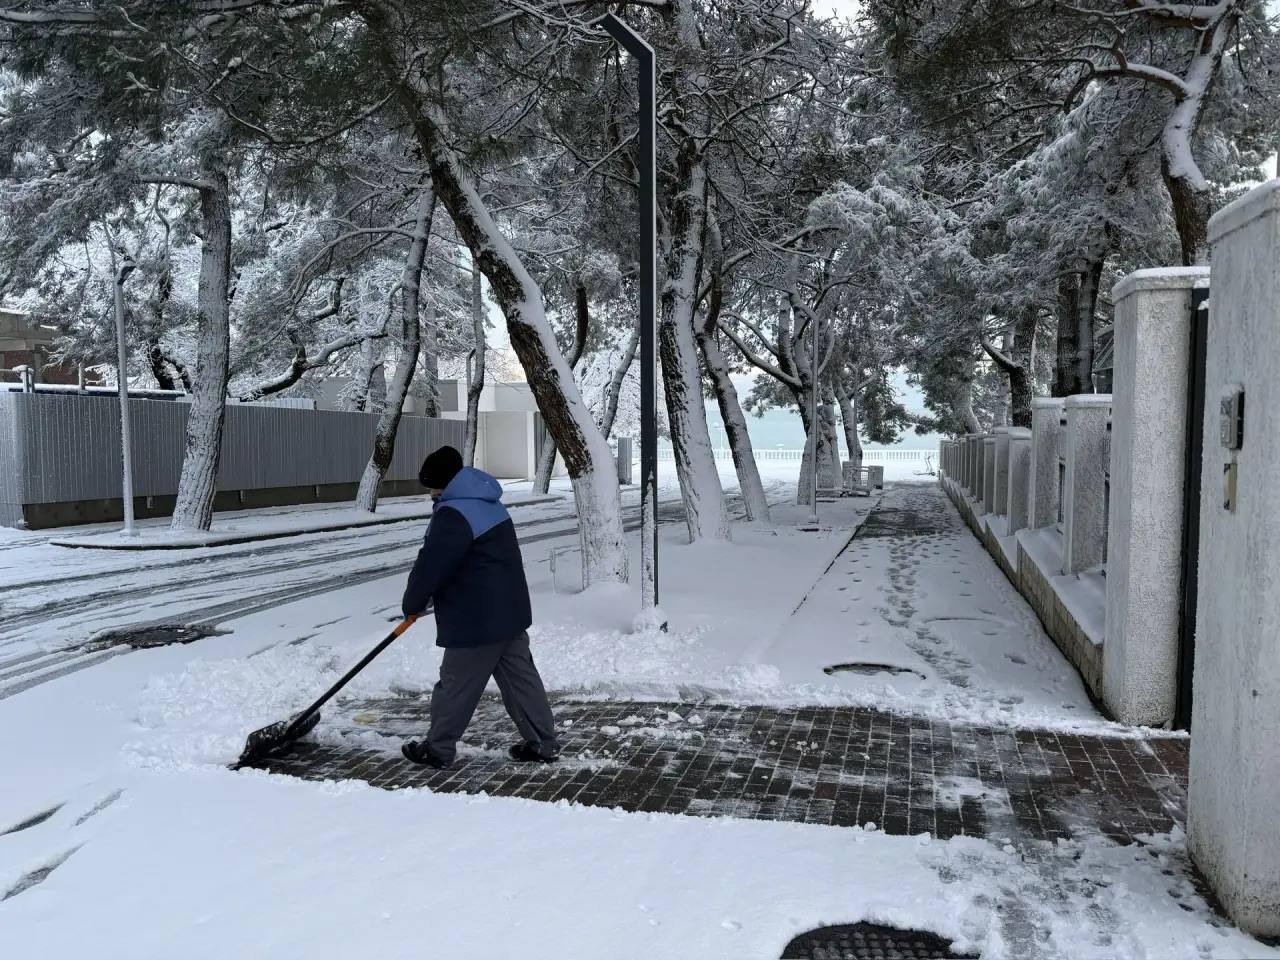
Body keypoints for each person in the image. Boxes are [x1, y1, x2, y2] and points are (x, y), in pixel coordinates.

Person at [400, 445, 560, 769]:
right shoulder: (487, 502)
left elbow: (433, 564)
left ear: (443, 483)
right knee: (521, 683)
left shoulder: (454, 514)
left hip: (475, 617)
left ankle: (438, 749)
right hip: (508, 612)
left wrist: (413, 602)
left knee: (455, 686)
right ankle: (543, 743)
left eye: (432, 487)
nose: (431, 493)